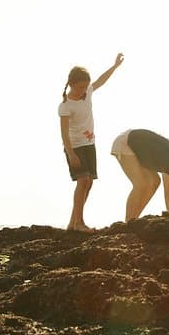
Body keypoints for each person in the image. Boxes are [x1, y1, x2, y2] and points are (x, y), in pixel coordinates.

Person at [59, 53, 124, 232]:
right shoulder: (65, 106)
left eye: (86, 87)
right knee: (83, 180)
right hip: (75, 146)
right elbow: (64, 133)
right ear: (71, 84)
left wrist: (115, 66)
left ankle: (73, 223)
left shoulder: (87, 92)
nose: (84, 90)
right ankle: (79, 223)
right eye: (80, 87)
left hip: (89, 144)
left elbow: (101, 80)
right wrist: (70, 153)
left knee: (89, 182)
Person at [110, 129, 169, 222]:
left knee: (155, 182)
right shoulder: (168, 159)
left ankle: (134, 219)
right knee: (141, 185)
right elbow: (168, 192)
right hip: (126, 143)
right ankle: (128, 222)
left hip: (141, 150)